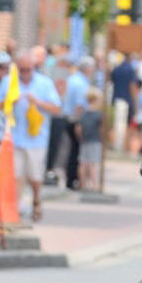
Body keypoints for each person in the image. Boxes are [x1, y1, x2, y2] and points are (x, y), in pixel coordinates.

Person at [0, 50, 62, 223]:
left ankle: (37, 199)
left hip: (37, 138)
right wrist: (10, 101)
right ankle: (16, 209)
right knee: (16, 175)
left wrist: (37, 102)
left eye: (28, 70)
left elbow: (57, 108)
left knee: (35, 176)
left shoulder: (44, 83)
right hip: (15, 137)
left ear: (33, 68)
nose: (24, 74)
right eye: (21, 70)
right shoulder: (10, 82)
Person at [60, 56, 95, 189]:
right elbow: (80, 106)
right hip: (76, 119)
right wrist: (80, 123)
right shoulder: (81, 83)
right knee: (76, 151)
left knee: (72, 150)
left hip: (68, 117)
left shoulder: (72, 79)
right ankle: (73, 179)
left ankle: (70, 179)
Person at [75, 86, 103, 191]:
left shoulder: (84, 113)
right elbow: (101, 129)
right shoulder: (98, 114)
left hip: (85, 140)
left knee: (83, 163)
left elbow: (78, 128)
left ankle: (83, 183)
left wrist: (81, 138)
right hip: (95, 140)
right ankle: (94, 184)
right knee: (93, 164)